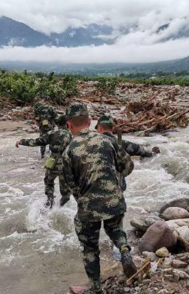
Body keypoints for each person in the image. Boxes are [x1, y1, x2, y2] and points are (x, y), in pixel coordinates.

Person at [62, 103, 137, 294]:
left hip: (88, 207)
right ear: (89, 121)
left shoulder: (69, 150)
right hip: (114, 201)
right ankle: (125, 251)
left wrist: (85, 199)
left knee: (89, 249)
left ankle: (96, 288)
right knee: (116, 230)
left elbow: (70, 185)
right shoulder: (108, 141)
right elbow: (128, 167)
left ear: (69, 126)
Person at [16, 115, 72, 209]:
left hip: (53, 161)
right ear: (67, 124)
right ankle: (63, 207)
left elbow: (37, 141)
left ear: (57, 124)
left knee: (49, 182)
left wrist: (21, 141)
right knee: (65, 189)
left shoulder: (51, 133)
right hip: (66, 164)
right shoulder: (70, 135)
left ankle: (50, 201)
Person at [95, 113, 160, 191]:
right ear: (112, 128)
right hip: (117, 190)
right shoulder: (121, 143)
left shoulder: (91, 144)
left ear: (100, 128)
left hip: (95, 190)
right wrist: (152, 154)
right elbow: (140, 150)